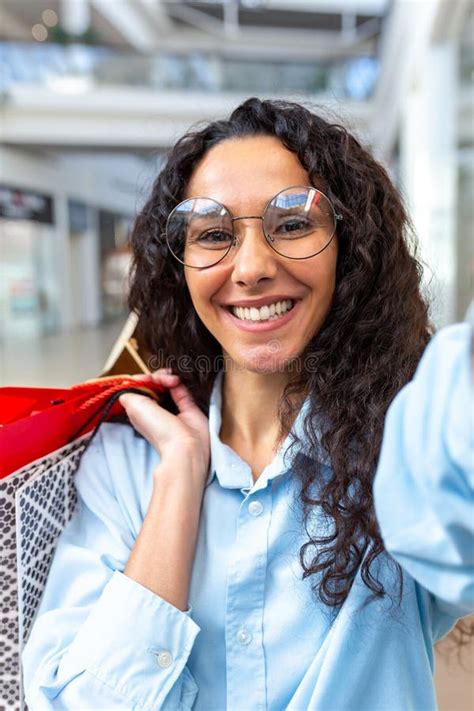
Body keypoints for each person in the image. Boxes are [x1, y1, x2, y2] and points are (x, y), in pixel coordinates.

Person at [22, 98, 473, 710]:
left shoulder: (404, 444)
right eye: (213, 234)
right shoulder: (129, 459)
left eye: (292, 224)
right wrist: (180, 480)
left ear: (351, 251)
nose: (254, 268)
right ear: (181, 267)